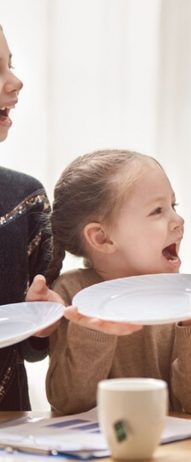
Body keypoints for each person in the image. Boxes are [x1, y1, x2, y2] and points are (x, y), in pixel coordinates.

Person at [44, 149, 191, 415]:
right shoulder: (71, 294)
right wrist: (94, 330)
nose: (179, 220)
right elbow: (69, 402)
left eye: (174, 206)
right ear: (102, 238)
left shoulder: (182, 295)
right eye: (157, 211)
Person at [0, 24, 54, 410]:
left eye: (9, 64)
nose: (15, 81)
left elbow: (32, 349)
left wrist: (44, 319)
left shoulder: (26, 199)